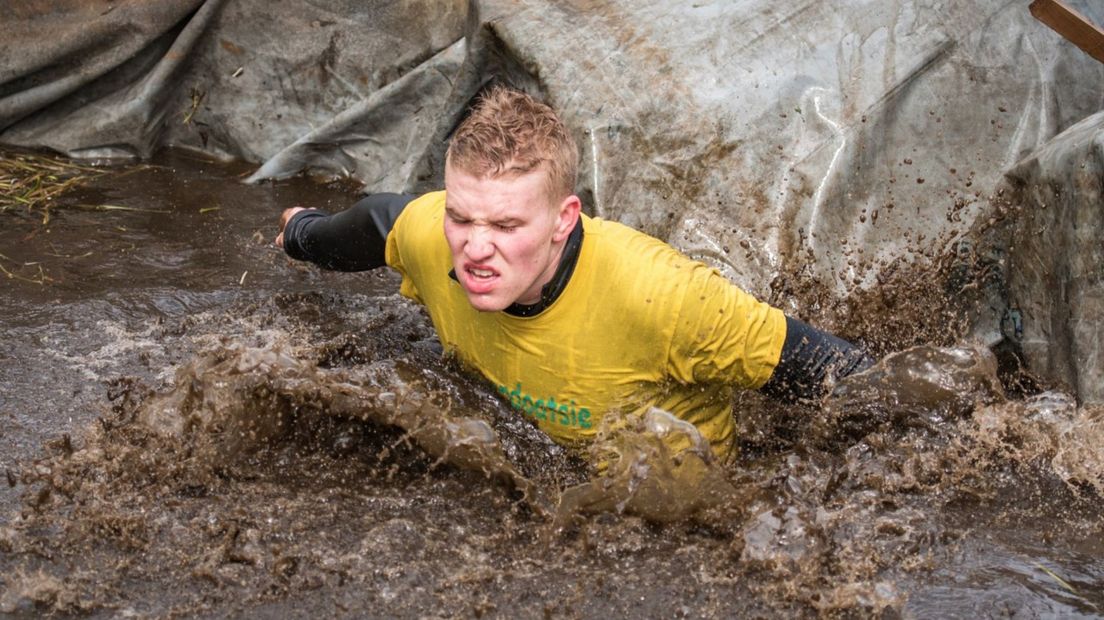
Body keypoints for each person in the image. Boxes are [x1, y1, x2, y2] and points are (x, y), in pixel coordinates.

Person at [275, 86, 871, 463]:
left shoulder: (667, 299)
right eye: (462, 216)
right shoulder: (432, 235)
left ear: (564, 219)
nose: (474, 250)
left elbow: (860, 381)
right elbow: (379, 221)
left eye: (507, 227)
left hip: (673, 523)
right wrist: (302, 234)